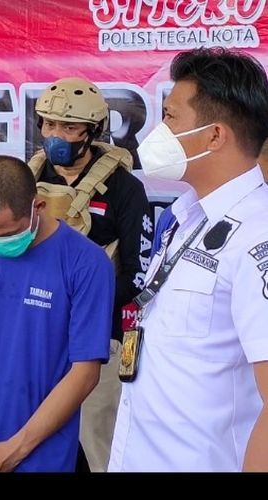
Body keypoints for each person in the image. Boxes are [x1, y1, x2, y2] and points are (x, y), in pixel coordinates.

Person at [108, 47, 268, 472]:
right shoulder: (184, 216)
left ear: (215, 136)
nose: (158, 131)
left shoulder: (259, 233)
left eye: (171, 117)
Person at [0, 155, 115, 472]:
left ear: (38, 206)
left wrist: (15, 449)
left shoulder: (86, 263)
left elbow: (85, 374)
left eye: (8, 233)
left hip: (40, 455)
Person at [28, 77, 153, 472]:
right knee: (30, 436)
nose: (55, 135)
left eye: (68, 127)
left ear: (92, 131)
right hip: (34, 332)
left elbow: (139, 274)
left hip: (99, 337)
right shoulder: (26, 179)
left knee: (98, 443)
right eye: (48, 124)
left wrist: (83, 309)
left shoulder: (124, 190)